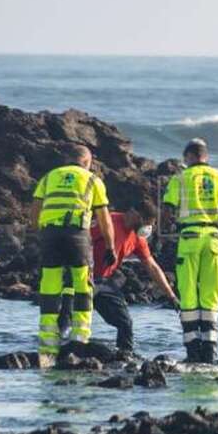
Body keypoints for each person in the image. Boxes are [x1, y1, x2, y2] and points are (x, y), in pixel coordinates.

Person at [163, 138, 218, 363]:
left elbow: (167, 209)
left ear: (189, 157)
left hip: (189, 238)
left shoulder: (180, 178)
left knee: (188, 292)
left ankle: (193, 350)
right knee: (211, 292)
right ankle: (211, 349)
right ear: (206, 156)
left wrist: (161, 233)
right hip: (213, 239)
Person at [30, 145, 116, 358]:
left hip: (50, 235)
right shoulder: (91, 179)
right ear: (87, 162)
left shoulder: (50, 177)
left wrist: (39, 233)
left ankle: (48, 344)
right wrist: (110, 245)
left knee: (49, 286)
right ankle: (80, 338)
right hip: (77, 234)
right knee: (82, 284)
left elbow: (35, 210)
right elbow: (104, 218)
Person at [88, 200, 180, 353]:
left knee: (125, 323)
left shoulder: (138, 238)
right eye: (147, 223)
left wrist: (171, 296)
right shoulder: (108, 221)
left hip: (105, 283)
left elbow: (152, 266)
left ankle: (124, 357)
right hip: (83, 278)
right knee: (71, 320)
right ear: (136, 215)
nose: (147, 228)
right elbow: (83, 241)